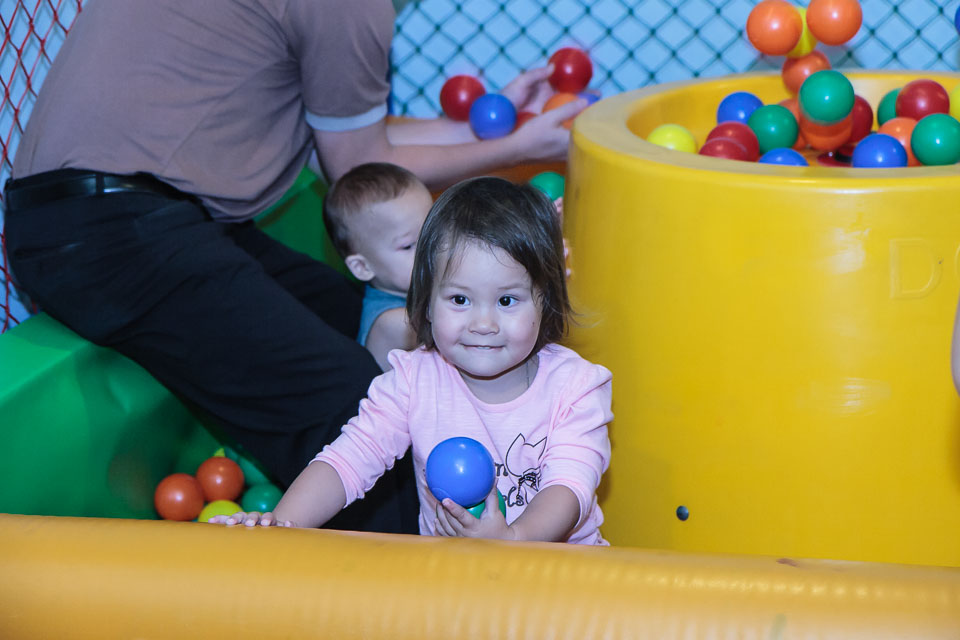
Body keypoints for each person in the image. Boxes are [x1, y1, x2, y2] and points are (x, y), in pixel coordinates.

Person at [2, 0, 586, 533]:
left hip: (132, 215)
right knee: (359, 396)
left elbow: (355, 137)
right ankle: (418, 570)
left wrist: (508, 123)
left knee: (360, 317)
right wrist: (519, 148)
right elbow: (356, 165)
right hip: (112, 229)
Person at [214, 177, 613, 544]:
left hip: (559, 577)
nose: (483, 324)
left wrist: (513, 538)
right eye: (459, 299)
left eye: (507, 300)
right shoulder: (414, 380)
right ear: (426, 303)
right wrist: (282, 525)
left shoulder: (575, 388)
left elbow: (569, 485)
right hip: (452, 578)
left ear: (547, 301)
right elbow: (350, 457)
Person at [323, 163, 430, 371]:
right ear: (362, 267)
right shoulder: (396, 323)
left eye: (431, 232)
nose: (429, 249)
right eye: (408, 246)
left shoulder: (419, 291)